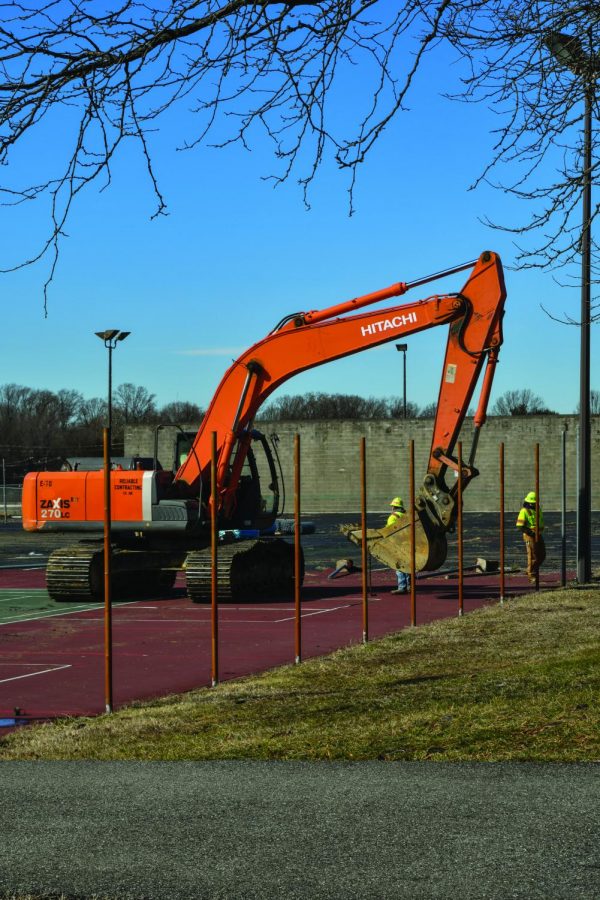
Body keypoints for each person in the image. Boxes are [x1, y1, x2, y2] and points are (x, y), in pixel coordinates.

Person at [516, 491, 546, 584]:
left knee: (542, 555)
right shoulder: (524, 511)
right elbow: (520, 525)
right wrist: (531, 533)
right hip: (530, 536)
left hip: (539, 534)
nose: (534, 505)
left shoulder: (538, 509)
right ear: (528, 502)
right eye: (532, 503)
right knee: (533, 556)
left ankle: (529, 570)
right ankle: (531, 575)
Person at [387, 497, 411, 594]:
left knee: (399, 565)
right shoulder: (407, 516)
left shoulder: (393, 517)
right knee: (409, 565)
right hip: (408, 542)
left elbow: (389, 531)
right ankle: (410, 586)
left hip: (398, 544)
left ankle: (402, 586)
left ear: (394, 507)